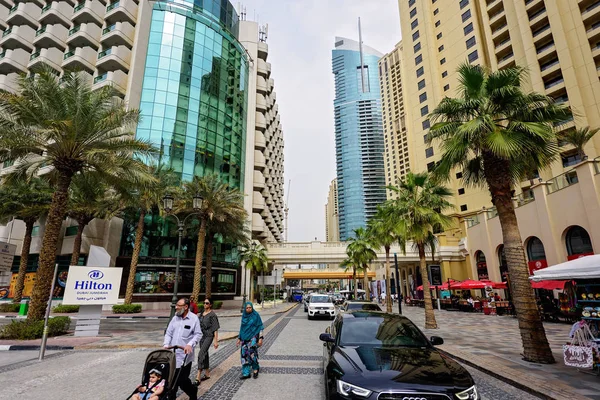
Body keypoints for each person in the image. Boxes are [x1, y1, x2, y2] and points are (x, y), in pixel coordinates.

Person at [163, 297, 201, 400]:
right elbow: (169, 333)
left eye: (179, 306)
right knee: (172, 384)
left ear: (186, 307)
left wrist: (190, 344)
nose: (176, 307)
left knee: (182, 381)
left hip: (185, 357)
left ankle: (192, 390)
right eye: (176, 305)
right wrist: (166, 344)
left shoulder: (194, 319)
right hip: (172, 356)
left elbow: (198, 334)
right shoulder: (175, 318)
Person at [194, 297, 220, 386]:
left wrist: (216, 341)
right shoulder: (201, 314)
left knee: (201, 353)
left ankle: (198, 375)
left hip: (209, 336)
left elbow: (215, 329)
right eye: (204, 303)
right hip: (202, 336)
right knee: (205, 354)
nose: (205, 304)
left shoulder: (212, 315)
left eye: (207, 303)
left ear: (210, 305)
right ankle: (207, 373)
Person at [237, 302, 264, 379]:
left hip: (253, 337)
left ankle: (255, 368)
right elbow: (242, 328)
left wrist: (260, 338)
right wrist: (239, 338)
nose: (248, 309)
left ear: (252, 308)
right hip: (244, 338)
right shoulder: (244, 316)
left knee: (251, 352)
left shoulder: (256, 315)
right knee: (244, 354)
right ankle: (246, 372)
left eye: (250, 308)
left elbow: (260, 327)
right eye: (247, 308)